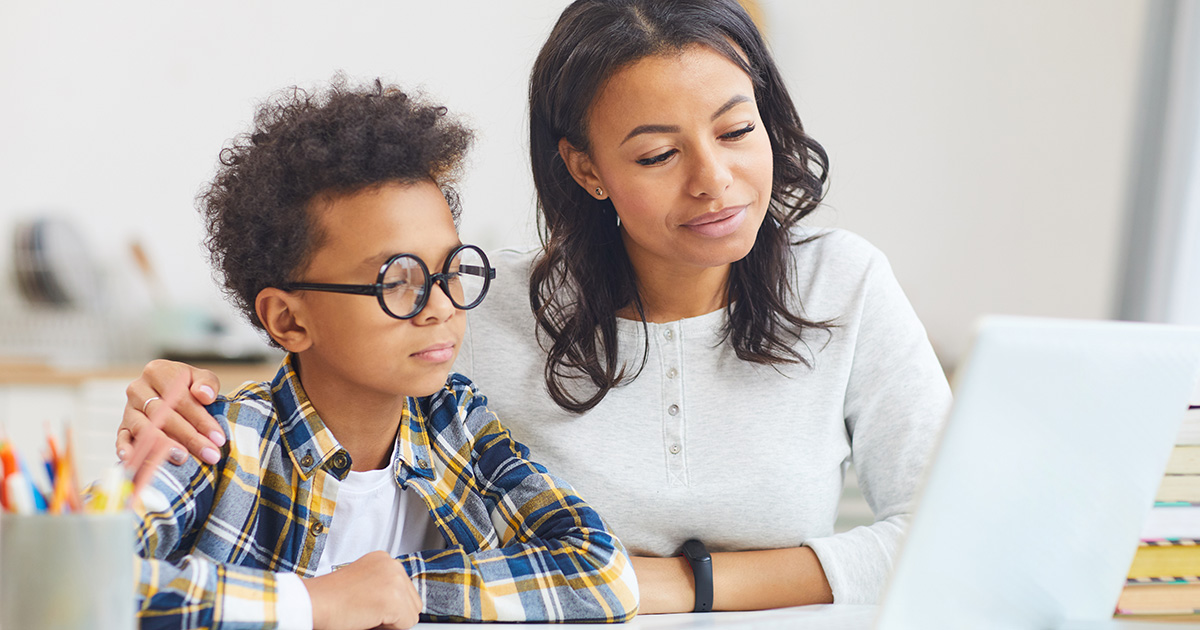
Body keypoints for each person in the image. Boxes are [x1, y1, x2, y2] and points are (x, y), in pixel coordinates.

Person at [117, 0, 950, 615]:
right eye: (658, 153)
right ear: (586, 171)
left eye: (738, 131)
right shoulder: (484, 312)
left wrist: (679, 585)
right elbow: (332, 379)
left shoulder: (845, 285)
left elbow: (958, 537)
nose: (715, 181)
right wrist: (184, 400)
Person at [125, 77, 638, 629]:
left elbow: (603, 573)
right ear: (289, 320)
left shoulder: (456, 426)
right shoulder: (217, 442)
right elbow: (65, 579)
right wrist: (314, 602)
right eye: (397, 280)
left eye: (450, 270)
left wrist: (397, 586)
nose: (441, 306)